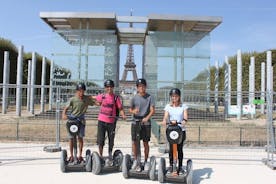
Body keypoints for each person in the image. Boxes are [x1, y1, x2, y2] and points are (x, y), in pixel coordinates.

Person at [62, 83, 96, 162]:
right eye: (79, 91)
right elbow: (65, 108)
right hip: (72, 120)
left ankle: (80, 155)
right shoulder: (73, 99)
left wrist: (102, 101)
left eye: (83, 91)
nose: (81, 93)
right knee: (71, 138)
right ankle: (71, 155)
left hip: (81, 121)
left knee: (80, 138)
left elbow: (96, 103)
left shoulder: (86, 99)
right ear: (77, 91)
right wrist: (64, 114)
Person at [94, 79, 126, 163]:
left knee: (111, 139)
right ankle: (100, 156)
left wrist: (123, 115)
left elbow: (120, 108)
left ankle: (110, 154)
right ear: (105, 88)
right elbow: (95, 100)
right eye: (107, 87)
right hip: (101, 120)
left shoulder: (116, 97)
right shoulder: (102, 96)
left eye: (111, 87)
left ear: (113, 87)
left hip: (111, 122)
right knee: (100, 140)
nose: (109, 88)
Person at [129, 78, 155, 171]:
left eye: (143, 86)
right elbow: (130, 109)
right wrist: (134, 111)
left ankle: (146, 160)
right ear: (137, 88)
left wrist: (147, 118)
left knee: (145, 142)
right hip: (135, 121)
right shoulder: (134, 97)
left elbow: (152, 110)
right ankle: (136, 160)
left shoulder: (150, 97)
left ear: (145, 87)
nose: (141, 88)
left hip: (146, 122)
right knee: (135, 142)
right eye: (139, 86)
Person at [162, 88, 188, 175]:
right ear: (170, 97)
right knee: (171, 149)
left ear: (179, 97)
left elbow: (185, 116)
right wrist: (165, 120)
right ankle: (171, 165)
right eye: (172, 96)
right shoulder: (168, 106)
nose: (174, 98)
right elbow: (165, 116)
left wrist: (184, 121)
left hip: (180, 130)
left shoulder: (183, 106)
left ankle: (180, 167)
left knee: (179, 149)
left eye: (176, 96)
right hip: (171, 130)